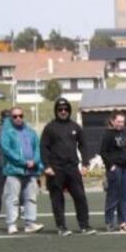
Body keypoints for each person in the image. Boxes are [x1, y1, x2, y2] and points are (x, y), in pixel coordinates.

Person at [41, 97, 95, 235]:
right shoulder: (50, 128)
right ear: (56, 111)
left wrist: (85, 163)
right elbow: (43, 148)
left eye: (66, 109)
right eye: (60, 109)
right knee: (57, 199)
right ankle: (61, 227)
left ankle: (84, 226)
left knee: (80, 197)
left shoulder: (75, 127)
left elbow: (83, 145)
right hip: (56, 169)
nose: (63, 112)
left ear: (69, 110)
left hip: (72, 168)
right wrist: (46, 166)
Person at [0, 107, 45, 235]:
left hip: (31, 171)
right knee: (12, 198)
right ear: (11, 118)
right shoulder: (6, 133)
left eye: (20, 115)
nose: (18, 118)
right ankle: (12, 224)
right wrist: (23, 162)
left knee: (31, 198)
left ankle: (30, 223)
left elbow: (38, 148)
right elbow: (7, 150)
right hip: (14, 170)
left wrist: (34, 161)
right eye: (15, 116)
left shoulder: (31, 132)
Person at [100, 111, 126, 231]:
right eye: (118, 121)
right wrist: (111, 165)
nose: (120, 124)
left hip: (125, 168)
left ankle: (124, 222)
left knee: (125, 196)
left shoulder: (123, 133)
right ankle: (109, 222)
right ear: (113, 121)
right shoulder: (108, 134)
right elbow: (103, 152)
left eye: (122, 122)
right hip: (115, 168)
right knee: (113, 196)